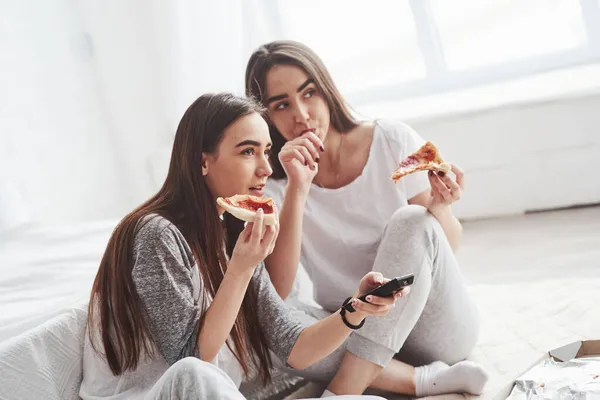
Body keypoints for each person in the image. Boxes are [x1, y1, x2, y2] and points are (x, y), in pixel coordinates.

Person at [79, 92, 400, 400]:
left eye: (266, 151)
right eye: (248, 152)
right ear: (202, 161)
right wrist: (240, 269)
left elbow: (294, 346)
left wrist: (357, 307)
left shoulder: (231, 231)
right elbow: (190, 361)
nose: (266, 168)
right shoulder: (156, 234)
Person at [244, 40, 489, 397]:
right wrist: (298, 187)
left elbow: (444, 248)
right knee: (262, 314)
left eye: (308, 93)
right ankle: (424, 381)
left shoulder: (391, 139)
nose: (300, 113)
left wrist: (440, 207)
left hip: (433, 329)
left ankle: (343, 390)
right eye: (281, 104)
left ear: (326, 90)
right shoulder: (276, 183)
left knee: (411, 220)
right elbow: (279, 290)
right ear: (266, 117)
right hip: (353, 329)